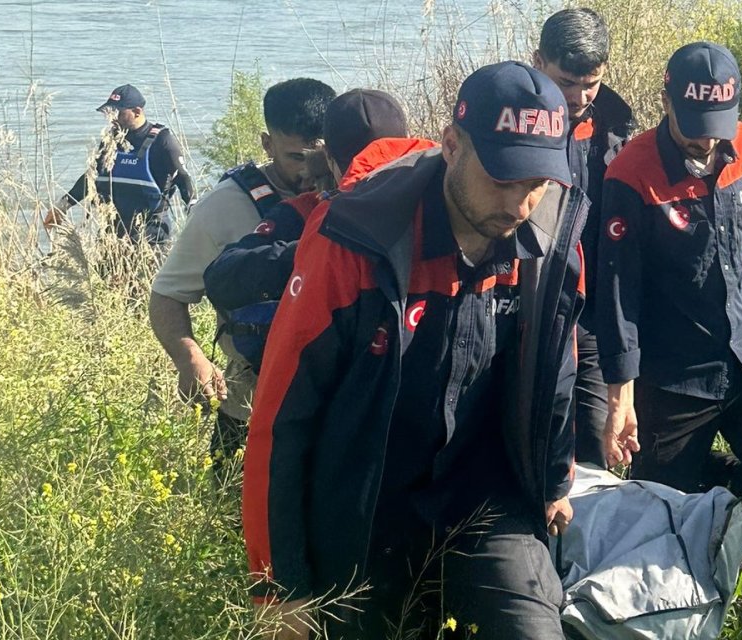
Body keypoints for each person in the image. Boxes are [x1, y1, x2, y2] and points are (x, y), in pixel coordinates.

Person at [242, 62, 586, 639]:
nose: (519, 205)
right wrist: (279, 586)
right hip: (369, 501)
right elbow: (282, 417)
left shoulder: (548, 240)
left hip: (486, 494)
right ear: (451, 146)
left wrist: (554, 481)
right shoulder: (353, 240)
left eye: (535, 183)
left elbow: (558, 367)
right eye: (502, 179)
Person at [597, 42, 742, 524]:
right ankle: (688, 479)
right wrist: (620, 395)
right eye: (694, 129)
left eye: (717, 127)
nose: (706, 143)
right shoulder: (630, 173)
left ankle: (705, 483)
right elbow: (617, 294)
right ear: (666, 100)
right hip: (674, 375)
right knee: (659, 509)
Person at [149, 78, 335, 463]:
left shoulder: (353, 194)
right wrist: (190, 358)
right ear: (267, 144)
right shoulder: (226, 206)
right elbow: (167, 293)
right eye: (295, 157)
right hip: (248, 400)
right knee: (233, 519)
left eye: (321, 157)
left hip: (332, 405)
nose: (309, 172)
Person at [202, 88, 436, 372]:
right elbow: (222, 275)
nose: (369, 184)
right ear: (330, 163)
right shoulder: (307, 213)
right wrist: (316, 253)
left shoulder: (438, 212)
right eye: (362, 172)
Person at [532, 8, 636, 467]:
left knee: (599, 451)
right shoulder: (508, 124)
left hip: (589, 316)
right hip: (526, 312)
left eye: (589, 83)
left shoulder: (616, 130)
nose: (578, 96)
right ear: (538, 62)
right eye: (565, 82)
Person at [45, 84, 195, 245]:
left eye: (119, 113)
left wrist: (195, 214)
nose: (113, 118)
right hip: (111, 232)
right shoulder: (111, 141)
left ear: (137, 112)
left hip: (150, 233)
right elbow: (91, 177)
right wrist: (63, 205)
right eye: (110, 113)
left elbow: (183, 178)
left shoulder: (162, 141)